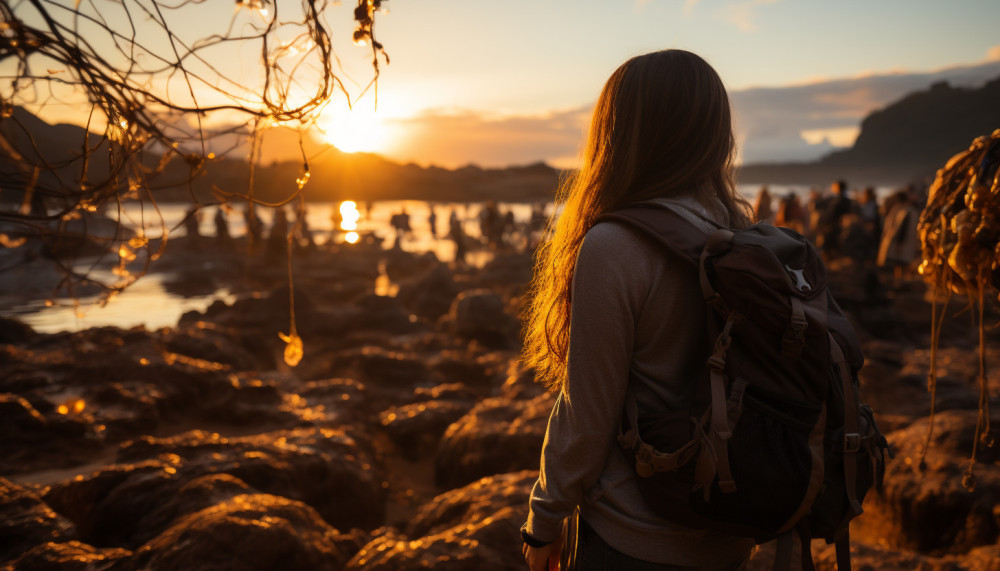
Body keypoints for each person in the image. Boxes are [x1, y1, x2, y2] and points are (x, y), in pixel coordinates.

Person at [521, 50, 755, 571]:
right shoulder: (741, 234)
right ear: (715, 134)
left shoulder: (616, 245)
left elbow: (587, 412)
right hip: (729, 531)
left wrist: (544, 518)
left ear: (618, 133)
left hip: (633, 538)